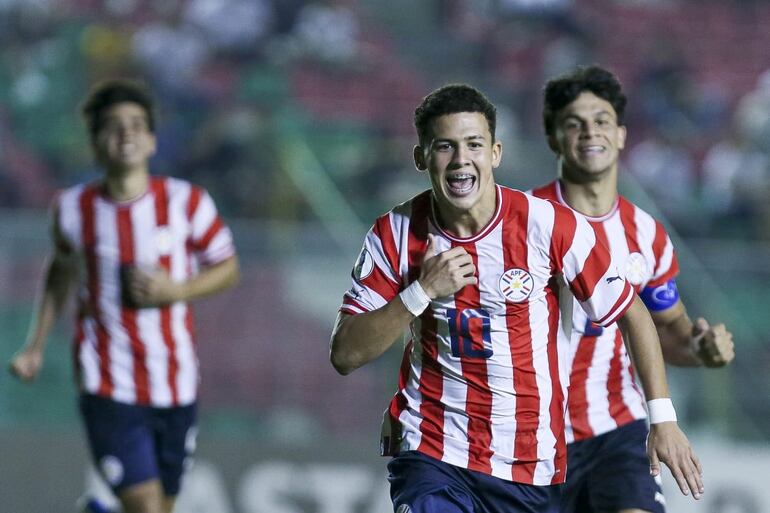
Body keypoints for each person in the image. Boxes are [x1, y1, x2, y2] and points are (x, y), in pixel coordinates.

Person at [329, 83, 703, 513]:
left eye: (473, 144)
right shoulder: (394, 233)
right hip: (433, 448)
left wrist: (663, 419)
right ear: (421, 158)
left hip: (529, 463)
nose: (461, 160)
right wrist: (421, 291)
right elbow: (345, 353)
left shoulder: (549, 225)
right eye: (444, 147)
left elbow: (633, 314)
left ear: (496, 153)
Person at [8, 79, 240, 513]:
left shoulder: (187, 203)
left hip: (176, 381)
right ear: (96, 144)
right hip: (108, 380)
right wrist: (35, 345)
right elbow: (61, 270)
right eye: (113, 126)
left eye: (136, 124)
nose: (126, 133)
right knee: (145, 507)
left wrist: (178, 289)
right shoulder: (74, 209)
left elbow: (227, 268)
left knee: (160, 507)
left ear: (152, 140)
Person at [530, 65, 735, 513]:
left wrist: (701, 349)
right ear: (553, 139)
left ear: (621, 135)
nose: (590, 132)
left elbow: (668, 334)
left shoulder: (647, 233)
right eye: (573, 123)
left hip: (617, 429)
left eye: (601, 120)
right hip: (533, 437)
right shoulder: (524, 223)